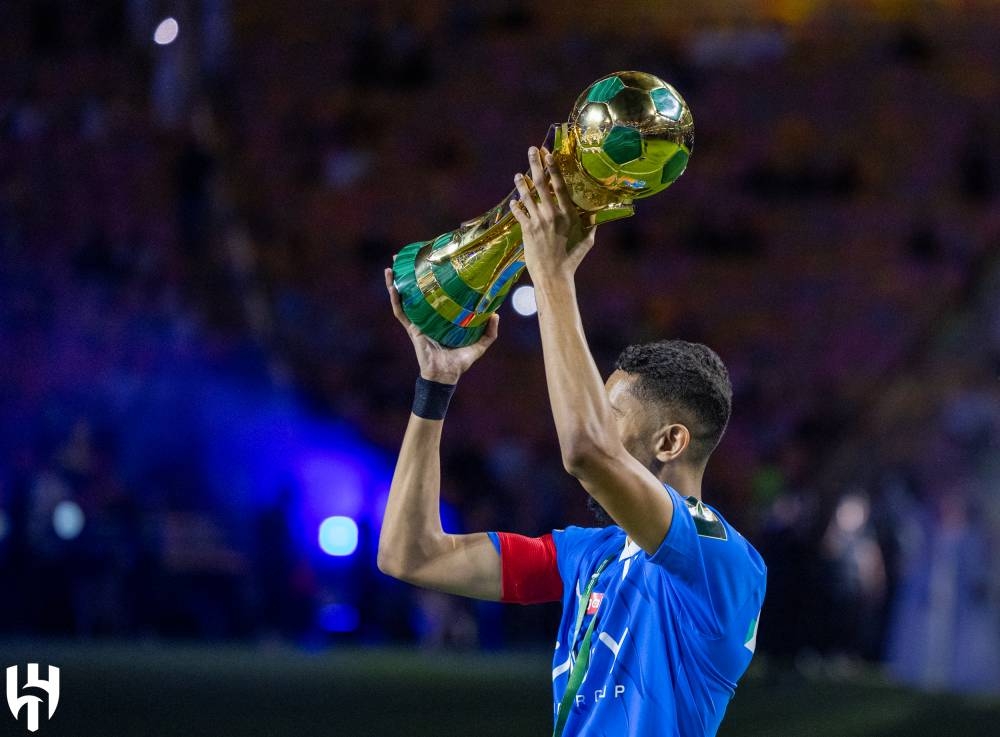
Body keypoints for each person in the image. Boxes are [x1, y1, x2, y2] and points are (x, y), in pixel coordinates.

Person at [379, 146, 766, 737]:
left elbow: (586, 450)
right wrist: (435, 385)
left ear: (670, 442)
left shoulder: (719, 559)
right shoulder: (591, 556)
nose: (590, 422)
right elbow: (409, 554)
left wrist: (553, 275)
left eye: (610, 415)